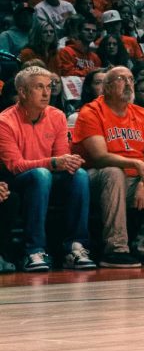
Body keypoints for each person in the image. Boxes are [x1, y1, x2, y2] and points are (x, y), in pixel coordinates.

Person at [72, 66, 144, 267]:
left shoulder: (141, 113)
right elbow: (100, 157)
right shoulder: (91, 112)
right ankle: (115, 249)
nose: (129, 83)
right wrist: (136, 164)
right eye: (121, 79)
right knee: (114, 172)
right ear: (107, 87)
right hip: (96, 180)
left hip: (133, 179)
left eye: (131, 78)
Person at [0, 66, 95, 271]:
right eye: (39, 87)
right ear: (23, 92)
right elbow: (15, 166)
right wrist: (53, 163)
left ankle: (75, 247)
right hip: (17, 181)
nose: (46, 93)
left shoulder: (58, 116)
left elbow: (62, 157)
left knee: (78, 174)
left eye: (49, 87)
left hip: (48, 176)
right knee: (41, 175)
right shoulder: (4, 122)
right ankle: (34, 250)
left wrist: (69, 162)